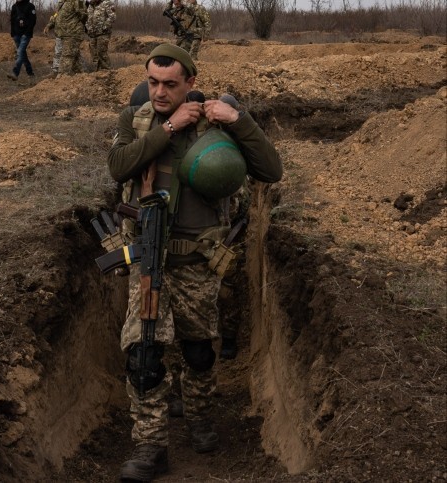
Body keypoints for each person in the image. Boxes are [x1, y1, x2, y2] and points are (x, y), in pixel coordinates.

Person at [108, 44, 282, 481]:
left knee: (199, 353)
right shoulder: (139, 119)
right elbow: (118, 167)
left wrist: (238, 121)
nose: (160, 91)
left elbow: (270, 170)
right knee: (144, 355)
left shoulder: (215, 120)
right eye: (153, 82)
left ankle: (201, 417)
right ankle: (150, 447)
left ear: (190, 82)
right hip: (149, 257)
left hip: (198, 263)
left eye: (170, 84)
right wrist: (167, 128)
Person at [55, 0, 87, 76]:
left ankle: (62, 77)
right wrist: (49, 25)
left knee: (67, 55)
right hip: (64, 33)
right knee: (75, 56)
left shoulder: (77, 1)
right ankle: (82, 76)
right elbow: (57, 16)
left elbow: (84, 15)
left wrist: (75, 24)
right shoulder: (62, 3)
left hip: (73, 33)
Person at [8, 0, 37, 81]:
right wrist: (12, 34)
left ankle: (15, 73)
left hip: (26, 35)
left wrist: (27, 33)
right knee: (22, 54)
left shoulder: (30, 6)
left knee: (20, 52)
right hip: (16, 35)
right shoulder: (14, 7)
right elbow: (12, 21)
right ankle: (30, 73)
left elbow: (33, 21)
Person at [85, 0, 116, 71]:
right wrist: (88, 27)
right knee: (94, 55)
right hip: (92, 34)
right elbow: (88, 18)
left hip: (103, 33)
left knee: (101, 52)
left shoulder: (107, 3)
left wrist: (104, 27)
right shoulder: (90, 6)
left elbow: (112, 17)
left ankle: (108, 71)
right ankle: (97, 73)